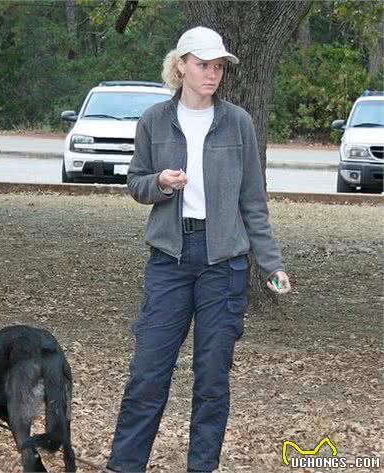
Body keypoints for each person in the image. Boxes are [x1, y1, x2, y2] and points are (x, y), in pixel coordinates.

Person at [105, 26, 291, 473]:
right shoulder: (154, 119)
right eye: (204, 65)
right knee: (148, 374)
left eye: (219, 67)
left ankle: (201, 466)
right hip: (169, 260)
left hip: (223, 264)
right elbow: (136, 183)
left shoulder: (238, 122)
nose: (212, 74)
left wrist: (272, 265)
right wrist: (161, 184)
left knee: (211, 379)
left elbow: (253, 203)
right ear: (181, 65)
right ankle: (123, 466)